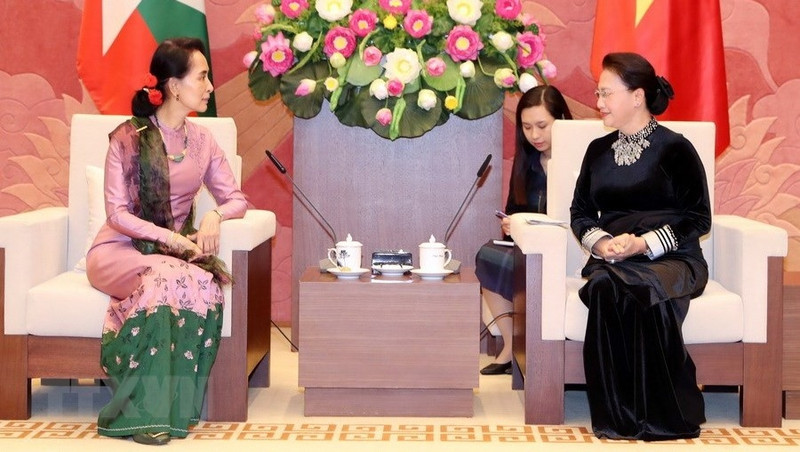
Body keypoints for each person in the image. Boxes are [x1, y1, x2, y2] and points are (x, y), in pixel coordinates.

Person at [86, 37, 248, 445]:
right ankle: (142, 414)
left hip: (168, 254)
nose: (211, 86)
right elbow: (117, 215)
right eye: (203, 76)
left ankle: (174, 409)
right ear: (174, 86)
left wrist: (213, 214)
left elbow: (237, 199)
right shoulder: (128, 137)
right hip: (117, 250)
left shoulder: (203, 141)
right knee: (168, 279)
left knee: (202, 283)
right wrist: (172, 240)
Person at [570, 52, 711, 440]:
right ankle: (617, 416)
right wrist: (601, 244)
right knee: (602, 285)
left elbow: (699, 218)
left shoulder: (675, 148)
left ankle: (663, 414)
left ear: (637, 96)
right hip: (613, 259)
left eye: (606, 93)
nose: (598, 103)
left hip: (673, 258)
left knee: (637, 287)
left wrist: (644, 244)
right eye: (598, 93)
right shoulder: (597, 151)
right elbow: (580, 212)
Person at [476, 85, 572, 375]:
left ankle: (529, 350)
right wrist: (511, 223)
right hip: (529, 246)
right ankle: (510, 346)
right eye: (527, 127)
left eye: (542, 126)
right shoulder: (527, 161)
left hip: (569, 248)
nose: (535, 135)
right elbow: (514, 209)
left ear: (563, 121)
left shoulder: (582, 160)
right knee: (487, 255)